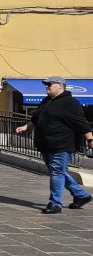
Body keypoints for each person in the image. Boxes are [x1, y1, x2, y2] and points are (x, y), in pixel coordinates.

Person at [16, 76, 93, 214]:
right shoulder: (46, 101)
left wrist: (90, 140)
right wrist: (26, 126)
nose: (47, 87)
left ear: (60, 85)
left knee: (56, 171)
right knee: (57, 172)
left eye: (49, 84)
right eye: (45, 85)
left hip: (62, 144)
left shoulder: (70, 103)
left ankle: (55, 203)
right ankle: (81, 195)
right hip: (46, 144)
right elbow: (36, 119)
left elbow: (82, 123)